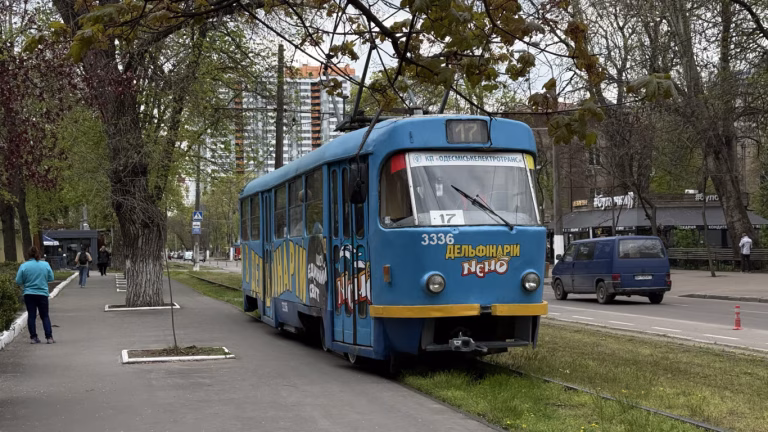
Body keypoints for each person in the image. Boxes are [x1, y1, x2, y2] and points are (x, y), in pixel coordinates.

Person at [15, 246, 55, 344]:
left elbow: (18, 281)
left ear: (28, 255)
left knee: (31, 316)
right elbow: (51, 278)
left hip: (29, 294)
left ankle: (33, 337)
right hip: (42, 294)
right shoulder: (45, 264)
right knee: (45, 316)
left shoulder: (24, 266)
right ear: (39, 254)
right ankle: (49, 337)